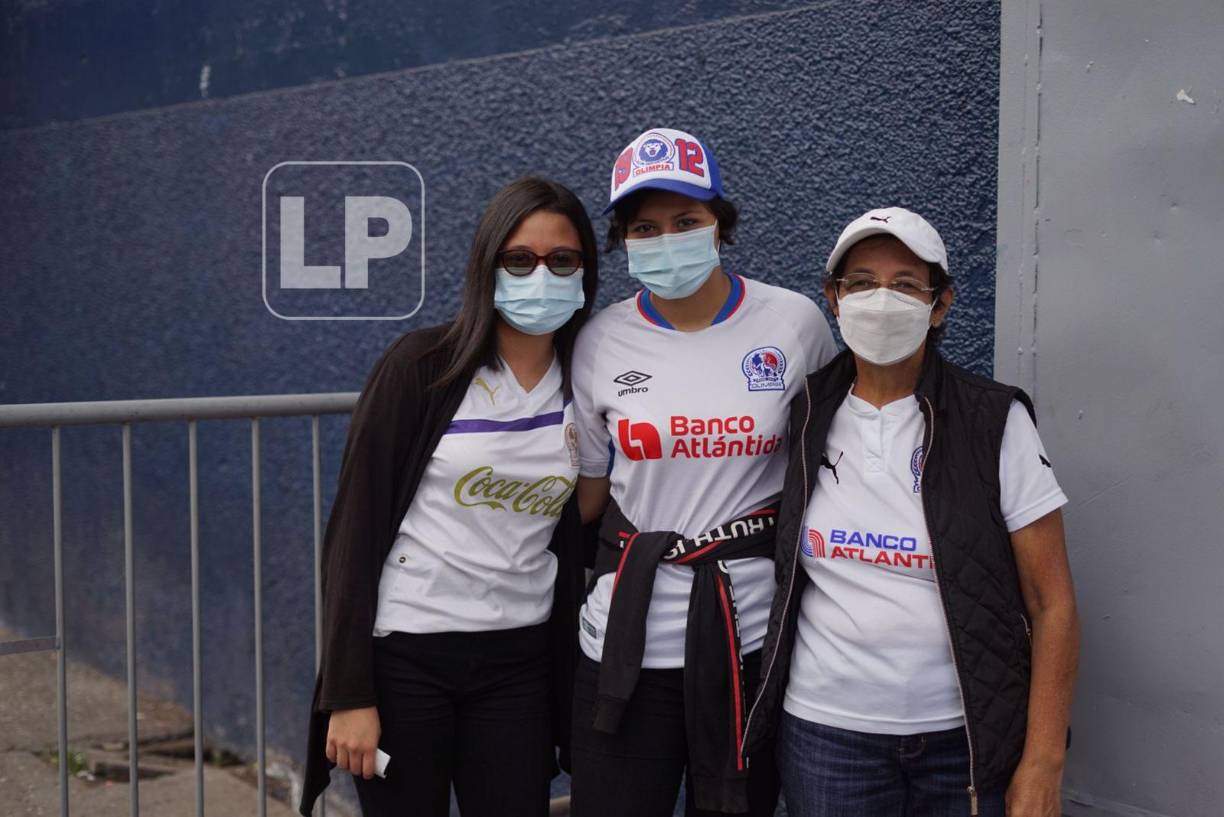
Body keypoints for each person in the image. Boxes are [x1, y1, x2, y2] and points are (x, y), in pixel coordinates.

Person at [742, 207, 1080, 817]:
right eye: (862, 282)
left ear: (941, 304)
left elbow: (1052, 603)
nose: (881, 300)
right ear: (834, 298)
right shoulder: (804, 415)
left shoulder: (994, 422)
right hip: (825, 736)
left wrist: (1043, 760)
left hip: (964, 743)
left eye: (904, 285)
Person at [297, 177, 600, 817]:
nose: (540, 275)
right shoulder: (421, 367)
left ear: (585, 273)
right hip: (409, 657)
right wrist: (348, 693)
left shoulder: (589, 377)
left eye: (562, 260)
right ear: (486, 267)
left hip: (520, 662)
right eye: (519, 260)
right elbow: (354, 531)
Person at [568, 127, 838, 816]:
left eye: (686, 221)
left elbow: (829, 461)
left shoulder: (794, 324)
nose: (667, 238)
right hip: (626, 646)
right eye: (646, 226)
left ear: (720, 222)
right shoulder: (600, 340)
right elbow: (590, 499)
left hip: (746, 641)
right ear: (623, 238)